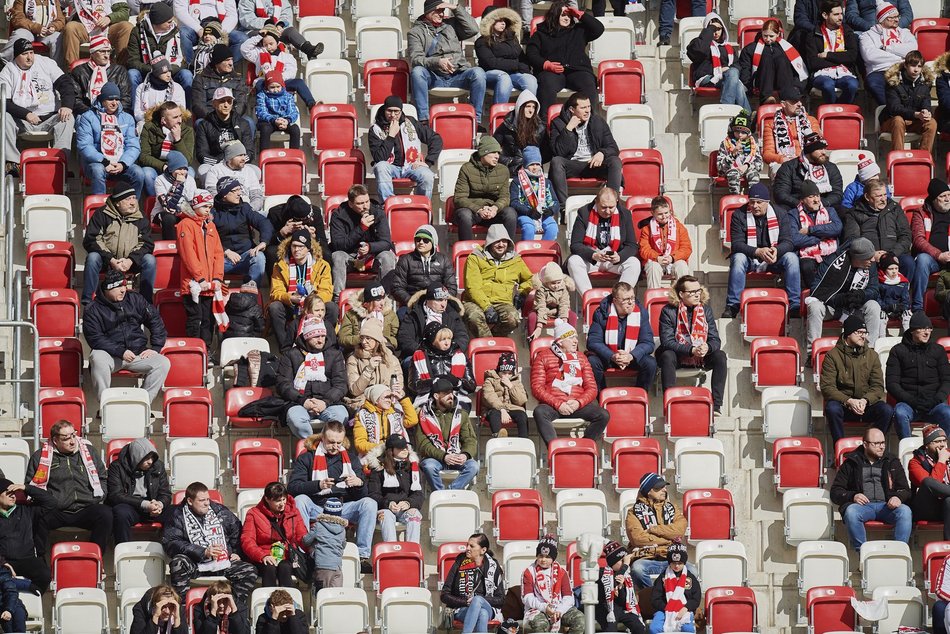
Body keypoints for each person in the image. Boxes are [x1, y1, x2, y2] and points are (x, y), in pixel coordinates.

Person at [287, 423, 377, 574]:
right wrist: (318, 485)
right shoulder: (307, 457)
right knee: (300, 500)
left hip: (343, 507)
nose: (335, 446)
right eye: (331, 442)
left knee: (369, 503)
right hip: (317, 506)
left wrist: (359, 483)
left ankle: (362, 556)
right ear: (322, 438)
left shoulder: (351, 459)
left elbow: (362, 494)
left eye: (339, 443)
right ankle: (305, 551)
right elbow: (293, 487)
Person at [83, 269, 169, 404]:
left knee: (163, 363)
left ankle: (143, 403)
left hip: (137, 353)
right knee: (97, 357)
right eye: (118, 286)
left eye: (124, 285)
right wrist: (120, 351)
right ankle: (105, 405)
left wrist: (156, 347)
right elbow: (95, 338)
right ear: (107, 289)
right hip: (111, 355)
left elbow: (155, 320)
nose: (123, 290)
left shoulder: (135, 298)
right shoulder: (93, 309)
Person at [25, 420, 111, 554]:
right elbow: (31, 486)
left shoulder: (89, 451)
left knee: (105, 514)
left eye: (73, 435)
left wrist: (97, 497)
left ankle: (96, 557)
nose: (72, 441)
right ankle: (39, 560)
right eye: (66, 438)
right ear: (55, 440)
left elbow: (102, 477)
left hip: (86, 507)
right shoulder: (40, 456)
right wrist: (50, 502)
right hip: (56, 510)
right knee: (36, 514)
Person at [164, 481, 257, 601]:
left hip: (223, 562)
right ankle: (182, 610)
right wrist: (202, 552)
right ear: (190, 501)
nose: (207, 503)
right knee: (178, 563)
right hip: (195, 564)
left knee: (249, 570)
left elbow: (238, 532)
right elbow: (171, 542)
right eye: (202, 500)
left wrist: (237, 552)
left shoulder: (220, 511)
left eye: (208, 499)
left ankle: (235, 609)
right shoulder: (177, 516)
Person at [723, 184, 802, 317]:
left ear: (767, 202)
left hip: (773, 258)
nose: (755, 206)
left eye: (759, 202)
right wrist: (757, 251)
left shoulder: (781, 213)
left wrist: (776, 250)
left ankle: (794, 305)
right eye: (752, 202)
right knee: (738, 258)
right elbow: (736, 244)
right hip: (750, 257)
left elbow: (788, 242)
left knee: (792, 258)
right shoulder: (739, 215)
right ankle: (732, 305)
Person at [0, 39, 76, 172]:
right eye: (25, 54)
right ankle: (13, 163)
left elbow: (66, 84)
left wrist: (67, 106)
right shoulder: (8, 71)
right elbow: (4, 101)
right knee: (4, 116)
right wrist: (26, 114)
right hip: (22, 120)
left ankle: (59, 162)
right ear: (16, 56)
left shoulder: (45, 63)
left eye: (31, 52)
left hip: (50, 116)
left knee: (68, 118)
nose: (29, 57)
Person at [831, 426, 912, 550]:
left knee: (905, 511)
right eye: (876, 443)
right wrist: (853, 496)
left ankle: (898, 553)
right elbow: (836, 491)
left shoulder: (892, 461)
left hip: (887, 506)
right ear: (865, 444)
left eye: (883, 443)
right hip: (863, 507)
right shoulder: (851, 462)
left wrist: (898, 497)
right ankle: (863, 554)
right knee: (851, 512)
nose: (881, 447)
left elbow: (905, 489)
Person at [531, 319, 609, 446]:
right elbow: (537, 388)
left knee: (603, 415)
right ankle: (555, 449)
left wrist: (578, 403)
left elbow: (592, 388)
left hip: (576, 405)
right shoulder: (543, 356)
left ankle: (583, 447)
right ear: (560, 341)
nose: (576, 341)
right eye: (572, 338)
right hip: (554, 406)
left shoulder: (581, 358)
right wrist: (558, 404)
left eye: (576, 338)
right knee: (539, 412)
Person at [407, 0, 485, 126]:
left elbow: (473, 29)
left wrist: (455, 8)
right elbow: (416, 58)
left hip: (457, 75)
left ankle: (475, 120)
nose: (441, 14)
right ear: (428, 11)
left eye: (443, 11)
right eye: (438, 11)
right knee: (417, 72)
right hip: (434, 76)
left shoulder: (451, 25)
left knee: (479, 73)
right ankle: (423, 120)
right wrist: (437, 62)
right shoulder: (415, 32)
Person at [820, 314, 896, 443]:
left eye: (865, 332)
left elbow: (877, 386)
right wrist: (848, 401)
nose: (863, 336)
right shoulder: (832, 356)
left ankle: (873, 445)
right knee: (832, 408)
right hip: (844, 405)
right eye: (859, 332)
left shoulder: (872, 355)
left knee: (887, 410)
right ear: (848, 333)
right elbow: (827, 388)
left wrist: (865, 400)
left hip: (866, 404)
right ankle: (840, 449)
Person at [658, 276, 728, 414]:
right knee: (666, 355)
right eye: (692, 292)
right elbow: (667, 341)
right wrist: (691, 350)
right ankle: (669, 405)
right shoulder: (668, 311)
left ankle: (717, 406)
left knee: (720, 356)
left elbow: (715, 340)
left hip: (700, 356)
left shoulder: (705, 310)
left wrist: (707, 347)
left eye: (698, 290)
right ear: (681, 294)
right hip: (678, 356)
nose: (697, 294)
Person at [81, 182, 156, 304]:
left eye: (134, 198)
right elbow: (91, 240)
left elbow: (147, 244)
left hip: (131, 261)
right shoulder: (102, 214)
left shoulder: (141, 217)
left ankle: (146, 303)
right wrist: (111, 260)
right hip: (107, 261)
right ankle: (88, 302)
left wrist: (130, 260)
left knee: (150, 260)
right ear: (117, 203)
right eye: (128, 199)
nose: (133, 202)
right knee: (93, 257)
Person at [525, 0, 603, 116]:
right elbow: (531, 54)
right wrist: (546, 64)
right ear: (554, 15)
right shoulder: (541, 33)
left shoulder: (579, 30)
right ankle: (545, 124)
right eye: (563, 15)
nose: (567, 18)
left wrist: (579, 14)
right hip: (552, 71)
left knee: (588, 84)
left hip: (577, 70)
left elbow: (599, 29)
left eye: (569, 15)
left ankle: (591, 124)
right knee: (546, 84)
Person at [275, 317, 348, 439]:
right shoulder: (291, 355)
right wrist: (303, 401)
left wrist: (325, 402)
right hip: (299, 402)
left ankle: (326, 445)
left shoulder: (335, 355)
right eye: (316, 337)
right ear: (307, 336)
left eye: (322, 336)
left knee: (341, 416)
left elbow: (340, 384)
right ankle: (312, 447)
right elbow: (283, 384)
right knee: (296, 419)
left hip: (328, 403)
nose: (320, 340)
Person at [807, 238, 882, 355]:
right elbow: (816, 289)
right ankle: (812, 353)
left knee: (874, 306)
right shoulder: (831, 262)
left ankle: (869, 352)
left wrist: (862, 295)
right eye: (868, 257)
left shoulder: (870, 265)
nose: (873, 260)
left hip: (854, 307)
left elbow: (874, 290)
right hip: (831, 307)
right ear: (857, 258)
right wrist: (839, 299)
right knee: (815, 307)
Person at [548, 92, 621, 207]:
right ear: (572, 109)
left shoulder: (598, 121)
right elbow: (557, 152)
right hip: (572, 165)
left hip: (594, 164)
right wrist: (568, 130)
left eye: (589, 106)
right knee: (556, 161)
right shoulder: (558, 123)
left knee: (615, 161)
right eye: (583, 108)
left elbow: (613, 148)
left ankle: (613, 204)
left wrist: (602, 153)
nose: (587, 110)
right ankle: (564, 207)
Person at [625, 473, 694, 590]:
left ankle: (678, 601)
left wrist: (653, 529)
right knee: (638, 569)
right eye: (659, 488)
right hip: (646, 558)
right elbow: (637, 539)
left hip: (672, 557)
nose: (664, 489)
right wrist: (669, 537)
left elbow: (679, 531)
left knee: (693, 570)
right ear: (648, 491)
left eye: (664, 486)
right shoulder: (633, 512)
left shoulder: (672, 508)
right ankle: (653, 597)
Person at [886, 311, 950, 437]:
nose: (927, 332)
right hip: (908, 403)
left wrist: (935, 400)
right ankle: (908, 450)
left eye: (929, 328)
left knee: (947, 413)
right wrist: (912, 401)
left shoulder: (938, 350)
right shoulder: (898, 351)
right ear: (912, 331)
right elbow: (892, 384)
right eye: (922, 328)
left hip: (934, 403)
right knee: (900, 413)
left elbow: (947, 380)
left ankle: (942, 450)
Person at [268, 230, 334, 352]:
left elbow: (326, 291)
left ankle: (325, 348)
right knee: (275, 307)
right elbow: (276, 291)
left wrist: (312, 302)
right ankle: (286, 351)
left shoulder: (322, 265)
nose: (296, 250)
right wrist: (290, 297)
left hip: (313, 305)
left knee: (331, 307)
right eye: (294, 246)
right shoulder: (280, 265)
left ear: (308, 248)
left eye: (301, 246)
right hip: (291, 306)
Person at [462, 225, 533, 337]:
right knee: (474, 317)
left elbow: (529, 279)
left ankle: (493, 340)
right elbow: (472, 286)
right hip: (475, 301)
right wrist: (487, 307)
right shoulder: (475, 258)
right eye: (497, 241)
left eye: (504, 241)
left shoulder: (516, 260)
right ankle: (489, 347)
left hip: (503, 301)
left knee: (512, 319)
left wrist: (522, 293)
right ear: (490, 242)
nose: (501, 245)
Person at [328, 185, 396, 300]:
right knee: (337, 256)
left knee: (388, 256)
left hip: (372, 256)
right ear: (350, 203)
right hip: (350, 256)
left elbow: (386, 242)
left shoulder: (377, 212)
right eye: (360, 203)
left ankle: (384, 298)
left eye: (367, 201)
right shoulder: (339, 215)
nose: (365, 206)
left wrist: (370, 247)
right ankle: (337, 299)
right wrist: (361, 228)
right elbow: (338, 245)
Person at [567, 187, 640, 295]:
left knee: (634, 263)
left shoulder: (624, 214)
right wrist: (593, 255)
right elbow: (575, 245)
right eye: (603, 207)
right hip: (592, 258)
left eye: (611, 207)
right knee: (573, 261)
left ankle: (620, 298)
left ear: (617, 202)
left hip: (614, 259)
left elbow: (632, 245)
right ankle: (590, 298)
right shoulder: (584, 213)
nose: (607, 211)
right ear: (596, 201)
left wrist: (620, 256)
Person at [368, 95, 441, 202]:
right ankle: (388, 205)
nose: (393, 115)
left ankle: (421, 205)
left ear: (401, 111)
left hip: (412, 166)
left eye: (396, 111)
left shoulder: (411, 122)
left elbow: (436, 139)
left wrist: (428, 162)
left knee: (427, 175)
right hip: (390, 167)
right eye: (389, 111)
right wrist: (391, 136)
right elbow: (379, 158)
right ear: (384, 110)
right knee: (380, 167)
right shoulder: (375, 129)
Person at [586, 282, 658, 392]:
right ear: (615, 301)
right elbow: (593, 341)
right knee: (592, 362)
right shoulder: (601, 313)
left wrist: (631, 355)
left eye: (632, 298)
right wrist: (612, 355)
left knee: (650, 363)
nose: (630, 302)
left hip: (632, 356)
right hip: (609, 356)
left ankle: (638, 396)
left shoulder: (641, 313)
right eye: (625, 299)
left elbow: (648, 343)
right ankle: (601, 397)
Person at [177, 190, 226, 350]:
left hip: (209, 285)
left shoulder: (210, 225)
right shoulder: (186, 224)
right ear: (196, 205)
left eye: (210, 207)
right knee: (195, 319)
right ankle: (194, 351)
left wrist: (217, 278)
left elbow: (218, 253)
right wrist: (200, 278)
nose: (208, 210)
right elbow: (188, 254)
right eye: (205, 206)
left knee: (208, 320)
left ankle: (207, 350)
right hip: (192, 285)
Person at [414, 376, 480, 490]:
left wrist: (465, 454)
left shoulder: (461, 414)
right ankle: (439, 493)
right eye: (446, 393)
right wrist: (443, 456)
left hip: (456, 455)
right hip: (435, 458)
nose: (451, 396)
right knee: (429, 466)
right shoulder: (423, 415)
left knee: (473, 466)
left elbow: (470, 439)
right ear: (436, 396)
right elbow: (423, 444)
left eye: (451, 392)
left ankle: (450, 492)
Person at [240, 482, 307, 588]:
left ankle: (286, 601)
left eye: (284, 499)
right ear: (267, 499)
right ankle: (268, 601)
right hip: (263, 556)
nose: (282, 503)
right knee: (269, 567)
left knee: (285, 566)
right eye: (277, 500)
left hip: (286, 556)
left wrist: (312, 549)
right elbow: (247, 540)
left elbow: (302, 536)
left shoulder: (293, 512)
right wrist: (262, 556)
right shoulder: (253, 513)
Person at [106, 438, 171, 544]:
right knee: (121, 513)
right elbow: (116, 495)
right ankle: (123, 551)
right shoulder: (117, 467)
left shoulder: (158, 466)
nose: (150, 461)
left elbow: (165, 493)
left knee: (176, 512)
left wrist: (159, 504)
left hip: (153, 507)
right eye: (146, 458)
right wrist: (145, 504)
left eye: (152, 458)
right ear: (136, 457)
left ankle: (171, 549)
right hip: (132, 506)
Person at [845, 178, 913, 278]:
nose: (883, 199)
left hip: (894, 253)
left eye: (885, 195)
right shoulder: (854, 213)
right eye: (878, 196)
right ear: (867, 197)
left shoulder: (895, 208)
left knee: (908, 263)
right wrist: (871, 255)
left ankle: (904, 291)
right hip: (870, 257)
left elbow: (906, 235)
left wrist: (891, 254)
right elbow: (852, 239)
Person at [454, 135, 517, 241]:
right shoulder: (466, 169)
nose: (497, 156)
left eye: (498, 153)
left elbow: (505, 197)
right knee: (464, 215)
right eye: (493, 152)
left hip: (493, 212)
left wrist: (495, 208)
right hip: (473, 211)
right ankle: (466, 252)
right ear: (483, 152)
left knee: (510, 213)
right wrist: (478, 209)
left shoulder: (503, 170)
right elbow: (459, 198)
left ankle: (508, 251)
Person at [213, 176, 273, 286]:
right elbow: (206, 237)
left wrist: (263, 242)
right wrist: (225, 251)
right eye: (234, 190)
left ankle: (251, 293)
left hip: (245, 256)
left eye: (239, 189)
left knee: (259, 257)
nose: (239, 193)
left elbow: (264, 222)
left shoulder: (244, 208)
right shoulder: (213, 213)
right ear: (224, 194)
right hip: (221, 260)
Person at [442, 533, 505, 634]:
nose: (467, 548)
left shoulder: (494, 567)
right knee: (482, 614)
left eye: (471, 546)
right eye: (467, 545)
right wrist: (465, 602)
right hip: (462, 609)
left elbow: (501, 600)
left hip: (488, 608)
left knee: (478, 600)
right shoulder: (459, 564)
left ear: (483, 550)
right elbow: (444, 595)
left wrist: (480, 600)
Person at [685, 13, 750, 111]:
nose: (716, 33)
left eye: (718, 29)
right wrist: (709, 30)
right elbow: (699, 51)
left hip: (727, 77)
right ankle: (737, 111)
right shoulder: (698, 43)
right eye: (712, 29)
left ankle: (731, 111)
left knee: (734, 76)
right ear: (707, 29)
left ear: (723, 29)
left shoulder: (728, 47)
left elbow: (737, 65)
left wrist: (726, 70)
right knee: (735, 80)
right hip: (706, 78)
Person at [366, 434, 424, 543]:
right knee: (386, 515)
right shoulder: (379, 468)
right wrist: (388, 504)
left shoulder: (413, 468)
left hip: (405, 509)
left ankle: (413, 551)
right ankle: (391, 550)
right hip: (386, 508)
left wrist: (408, 503)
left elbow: (419, 494)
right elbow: (373, 494)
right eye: (400, 447)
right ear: (391, 450)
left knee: (414, 514)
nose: (404, 450)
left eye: (405, 447)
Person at [240, 25, 314, 109]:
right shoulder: (258, 54)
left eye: (271, 44)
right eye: (265, 44)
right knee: (259, 84)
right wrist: (259, 36)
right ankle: (264, 106)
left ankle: (311, 104)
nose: (268, 47)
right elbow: (244, 49)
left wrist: (277, 78)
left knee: (299, 82)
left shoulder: (286, 56)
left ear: (277, 42)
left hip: (282, 82)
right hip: (264, 81)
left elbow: (291, 71)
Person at [522, 535, 585, 634]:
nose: (543, 560)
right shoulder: (529, 572)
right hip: (538, 609)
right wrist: (544, 608)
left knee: (579, 619)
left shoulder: (561, 572)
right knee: (539, 623)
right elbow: (527, 597)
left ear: (554, 558)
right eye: (540, 556)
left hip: (559, 608)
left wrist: (559, 610)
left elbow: (569, 597)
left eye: (547, 557)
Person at [126, 3, 192, 97]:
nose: (171, 24)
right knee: (132, 74)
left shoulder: (175, 32)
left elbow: (183, 62)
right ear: (158, 22)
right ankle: (134, 110)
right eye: (169, 22)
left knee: (186, 75)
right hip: (147, 72)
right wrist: (153, 70)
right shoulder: (137, 32)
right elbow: (132, 61)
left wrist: (166, 71)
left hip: (170, 72)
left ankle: (188, 110)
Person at [0, 477, 54, 592]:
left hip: (27, 559)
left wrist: (25, 488)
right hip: (3, 560)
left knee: (44, 575)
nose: (13, 496)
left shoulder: (27, 510)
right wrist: (3, 563)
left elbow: (51, 502)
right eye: (8, 493)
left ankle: (32, 602)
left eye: (14, 493)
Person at [475, 7, 537, 106]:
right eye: (499, 20)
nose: (503, 23)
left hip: (513, 73)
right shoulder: (482, 41)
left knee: (531, 80)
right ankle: (499, 114)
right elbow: (491, 63)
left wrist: (525, 69)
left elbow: (522, 58)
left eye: (504, 20)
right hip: (491, 74)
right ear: (490, 22)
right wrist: (517, 65)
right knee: (504, 78)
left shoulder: (511, 38)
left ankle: (527, 115)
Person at [787, 180, 842, 290]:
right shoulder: (793, 214)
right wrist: (819, 238)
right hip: (807, 256)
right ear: (802, 200)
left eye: (817, 196)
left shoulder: (830, 210)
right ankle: (816, 293)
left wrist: (810, 230)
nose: (816, 200)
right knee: (806, 266)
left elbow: (837, 228)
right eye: (811, 197)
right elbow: (794, 238)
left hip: (830, 252)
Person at [737, 18, 808, 103]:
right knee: (766, 58)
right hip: (762, 82)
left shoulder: (786, 48)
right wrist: (749, 85)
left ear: (777, 34)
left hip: (783, 80)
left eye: (771, 36)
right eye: (765, 36)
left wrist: (796, 86)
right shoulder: (751, 49)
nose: (768, 39)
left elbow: (796, 69)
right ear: (761, 33)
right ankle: (767, 98)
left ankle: (787, 96)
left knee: (781, 59)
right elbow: (745, 70)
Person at [858, 1, 917, 105]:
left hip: (902, 68)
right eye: (892, 17)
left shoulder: (904, 32)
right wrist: (900, 56)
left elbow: (912, 49)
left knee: (920, 79)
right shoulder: (868, 35)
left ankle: (906, 109)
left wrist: (886, 48)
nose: (897, 19)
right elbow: (870, 56)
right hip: (879, 71)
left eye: (898, 16)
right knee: (873, 83)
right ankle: (891, 110)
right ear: (882, 19)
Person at [803, 0, 860, 104]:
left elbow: (852, 56)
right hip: (821, 74)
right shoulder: (813, 34)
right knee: (827, 85)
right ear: (825, 15)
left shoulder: (847, 31)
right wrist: (841, 59)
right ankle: (833, 110)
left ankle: (840, 110)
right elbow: (813, 62)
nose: (840, 17)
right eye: (836, 14)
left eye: (841, 14)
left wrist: (827, 55)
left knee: (852, 85)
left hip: (844, 73)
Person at [408, 322, 476, 409]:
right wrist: (434, 382)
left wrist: (457, 382)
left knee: (461, 409)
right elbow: (413, 385)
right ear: (432, 341)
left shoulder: (460, 356)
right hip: (428, 398)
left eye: (449, 338)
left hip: (456, 397)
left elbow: (472, 385)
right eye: (442, 339)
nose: (447, 343)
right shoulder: (419, 357)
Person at [880, 49, 937, 153]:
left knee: (931, 123)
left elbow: (926, 102)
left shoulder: (925, 83)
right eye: (913, 66)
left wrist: (926, 112)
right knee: (898, 120)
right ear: (905, 65)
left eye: (919, 66)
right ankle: (899, 159)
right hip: (891, 121)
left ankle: (923, 158)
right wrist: (915, 114)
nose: (916, 70)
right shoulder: (893, 81)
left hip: (914, 121)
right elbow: (894, 108)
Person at [773, 132, 843, 213]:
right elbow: (781, 194)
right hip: (796, 207)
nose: (824, 152)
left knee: (843, 211)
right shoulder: (789, 167)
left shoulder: (831, 168)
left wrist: (820, 204)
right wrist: (802, 204)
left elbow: (837, 194)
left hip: (824, 206)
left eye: (825, 148)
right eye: (820, 149)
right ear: (809, 150)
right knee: (781, 210)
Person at [194, 87, 255, 181]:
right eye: (222, 101)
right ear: (214, 103)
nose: (226, 105)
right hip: (216, 165)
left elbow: (249, 152)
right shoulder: (204, 125)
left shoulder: (243, 123)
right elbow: (202, 155)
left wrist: (236, 161)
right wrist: (223, 164)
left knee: (256, 171)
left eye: (229, 101)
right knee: (202, 170)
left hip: (238, 164)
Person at [391, 224, 458, 308]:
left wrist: (440, 302)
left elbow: (451, 287)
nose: (421, 242)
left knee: (454, 317)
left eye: (425, 240)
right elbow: (397, 288)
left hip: (438, 303)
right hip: (413, 304)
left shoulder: (443, 260)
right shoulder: (405, 260)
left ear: (433, 242)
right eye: (418, 239)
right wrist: (412, 301)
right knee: (402, 315)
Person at [398, 282, 469, 361]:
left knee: (461, 360)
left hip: (448, 354)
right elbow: (404, 338)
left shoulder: (452, 313)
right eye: (439, 300)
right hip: (420, 354)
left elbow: (462, 337)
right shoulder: (415, 313)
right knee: (409, 361)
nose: (443, 304)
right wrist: (422, 350)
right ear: (428, 300)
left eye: (445, 300)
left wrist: (450, 348)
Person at [761, 85, 821, 177]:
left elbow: (818, 147)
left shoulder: (811, 121)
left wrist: (803, 160)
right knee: (781, 171)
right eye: (794, 101)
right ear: (783, 104)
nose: (799, 104)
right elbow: (767, 154)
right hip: (784, 163)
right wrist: (782, 159)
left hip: (807, 161)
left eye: (800, 100)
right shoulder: (771, 124)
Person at [346, 320, 404, 412]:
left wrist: (397, 389)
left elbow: (400, 386)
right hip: (365, 401)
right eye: (362, 338)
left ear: (377, 340)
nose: (364, 342)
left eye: (368, 338)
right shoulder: (354, 359)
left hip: (388, 400)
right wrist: (368, 370)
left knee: (400, 410)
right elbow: (355, 390)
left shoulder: (391, 359)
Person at [138, 101, 194, 196]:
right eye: (175, 117)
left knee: (191, 172)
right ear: (163, 120)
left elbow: (188, 161)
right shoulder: (149, 128)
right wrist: (163, 166)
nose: (180, 120)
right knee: (147, 173)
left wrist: (178, 140)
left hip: (178, 167)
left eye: (180, 116)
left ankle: (179, 201)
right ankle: (155, 201)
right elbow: (143, 156)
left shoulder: (187, 131)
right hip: (157, 167)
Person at [265, 194, 329, 274]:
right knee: (271, 252)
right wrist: (282, 233)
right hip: (285, 245)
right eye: (306, 219)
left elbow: (323, 242)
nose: (311, 219)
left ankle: (325, 283)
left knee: (326, 253)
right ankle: (276, 283)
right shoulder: (275, 213)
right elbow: (268, 241)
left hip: (307, 245)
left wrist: (313, 237)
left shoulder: (315, 212)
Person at [638, 196, 692, 289]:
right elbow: (644, 249)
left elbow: (686, 248)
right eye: (660, 214)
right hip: (656, 260)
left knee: (682, 266)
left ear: (670, 211)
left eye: (666, 213)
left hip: (674, 259)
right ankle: (654, 297)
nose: (664, 216)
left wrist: (672, 257)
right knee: (653, 267)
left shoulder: (679, 227)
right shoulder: (646, 229)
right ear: (652, 213)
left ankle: (683, 296)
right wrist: (657, 257)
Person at [353, 384, 418, 460]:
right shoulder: (362, 415)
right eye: (386, 397)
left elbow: (412, 420)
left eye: (390, 397)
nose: (389, 400)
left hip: (396, 453)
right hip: (374, 455)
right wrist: (384, 447)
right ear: (376, 400)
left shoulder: (395, 412)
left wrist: (402, 399)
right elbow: (360, 444)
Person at [912, 179, 950, 311]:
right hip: (933, 259)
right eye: (942, 196)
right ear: (934, 199)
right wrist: (939, 255)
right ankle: (917, 308)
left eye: (949, 195)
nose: (947, 199)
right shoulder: (921, 213)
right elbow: (918, 240)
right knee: (922, 259)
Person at [70, 35, 131, 115]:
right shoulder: (79, 72)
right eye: (102, 51)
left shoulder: (120, 71)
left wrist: (111, 113)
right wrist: (93, 114)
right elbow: (76, 100)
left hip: (115, 114)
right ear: (92, 53)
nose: (106, 55)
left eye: (108, 51)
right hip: (88, 115)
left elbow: (126, 99)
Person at [191, 44, 252, 124]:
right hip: (209, 118)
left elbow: (241, 103)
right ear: (217, 62)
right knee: (199, 123)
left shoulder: (238, 79)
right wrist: (214, 118)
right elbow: (198, 105)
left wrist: (229, 117)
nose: (231, 63)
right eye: (227, 60)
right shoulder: (201, 78)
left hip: (232, 117)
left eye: (231, 60)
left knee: (249, 122)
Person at [908, 424, 950, 540]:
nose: (942, 445)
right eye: (937, 441)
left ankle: (948, 548)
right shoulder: (915, 463)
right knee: (927, 482)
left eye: (944, 440)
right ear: (927, 445)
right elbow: (932, 487)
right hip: (925, 508)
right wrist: (941, 461)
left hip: (945, 507)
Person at [493, 91, 549, 176]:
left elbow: (547, 152)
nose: (531, 110)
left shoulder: (540, 128)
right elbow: (492, 149)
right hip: (512, 169)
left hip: (534, 170)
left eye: (534, 107)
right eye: (528, 106)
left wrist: (534, 161)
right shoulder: (507, 125)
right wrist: (510, 161)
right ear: (520, 107)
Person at [648, 542, 701, 633]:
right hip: (664, 609)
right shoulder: (662, 577)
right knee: (654, 628)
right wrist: (668, 608)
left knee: (687, 629)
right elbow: (655, 598)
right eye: (673, 563)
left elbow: (696, 597)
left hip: (684, 609)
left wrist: (686, 608)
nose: (676, 566)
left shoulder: (690, 578)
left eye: (680, 563)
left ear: (684, 563)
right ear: (669, 562)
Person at [61, 0, 133, 66]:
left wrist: (110, 18)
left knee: (127, 27)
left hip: (108, 28)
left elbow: (124, 12)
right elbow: (57, 6)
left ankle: (122, 69)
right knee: (70, 27)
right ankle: (73, 70)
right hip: (83, 27)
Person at [511, 145, 559, 241]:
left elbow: (555, 202)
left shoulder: (546, 182)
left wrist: (551, 210)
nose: (535, 167)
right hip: (525, 214)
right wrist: (528, 211)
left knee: (553, 228)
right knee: (528, 228)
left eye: (537, 164)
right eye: (532, 164)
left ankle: (544, 253)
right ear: (525, 165)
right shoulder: (517, 181)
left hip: (543, 215)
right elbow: (513, 202)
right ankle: (527, 254)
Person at [596, 541, 646, 634]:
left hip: (621, 608)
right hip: (605, 608)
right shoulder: (602, 574)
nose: (624, 564)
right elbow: (605, 593)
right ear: (612, 562)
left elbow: (623, 600)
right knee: (610, 628)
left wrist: (622, 586)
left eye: (624, 561)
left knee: (638, 626)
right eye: (621, 561)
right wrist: (624, 568)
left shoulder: (626, 576)